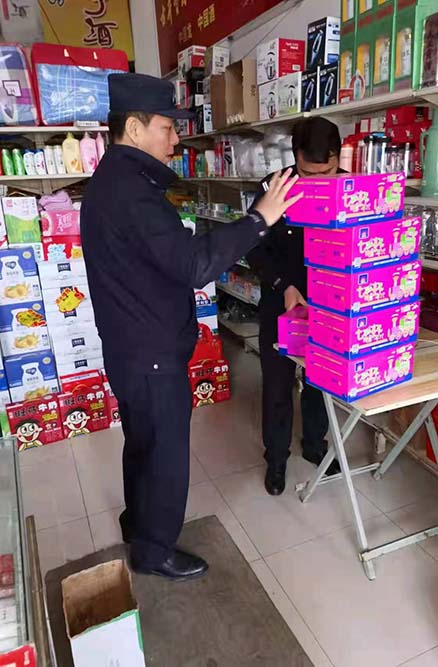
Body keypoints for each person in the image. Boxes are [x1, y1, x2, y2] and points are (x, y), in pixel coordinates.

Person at [80, 73, 302, 581]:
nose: (176, 140)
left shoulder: (115, 182)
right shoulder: (131, 193)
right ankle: (154, 549)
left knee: (142, 441)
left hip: (130, 344)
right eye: (167, 127)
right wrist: (258, 220)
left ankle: (138, 524)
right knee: (164, 453)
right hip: (150, 350)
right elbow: (194, 265)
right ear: (134, 129)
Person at [247, 117, 345, 496]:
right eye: (308, 173)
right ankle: (276, 459)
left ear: (338, 158)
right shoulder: (274, 188)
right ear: (295, 158)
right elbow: (254, 248)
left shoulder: (352, 189)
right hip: (282, 301)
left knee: (320, 379)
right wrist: (283, 285)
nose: (318, 181)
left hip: (331, 304)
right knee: (277, 383)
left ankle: (315, 446)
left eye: (327, 172)